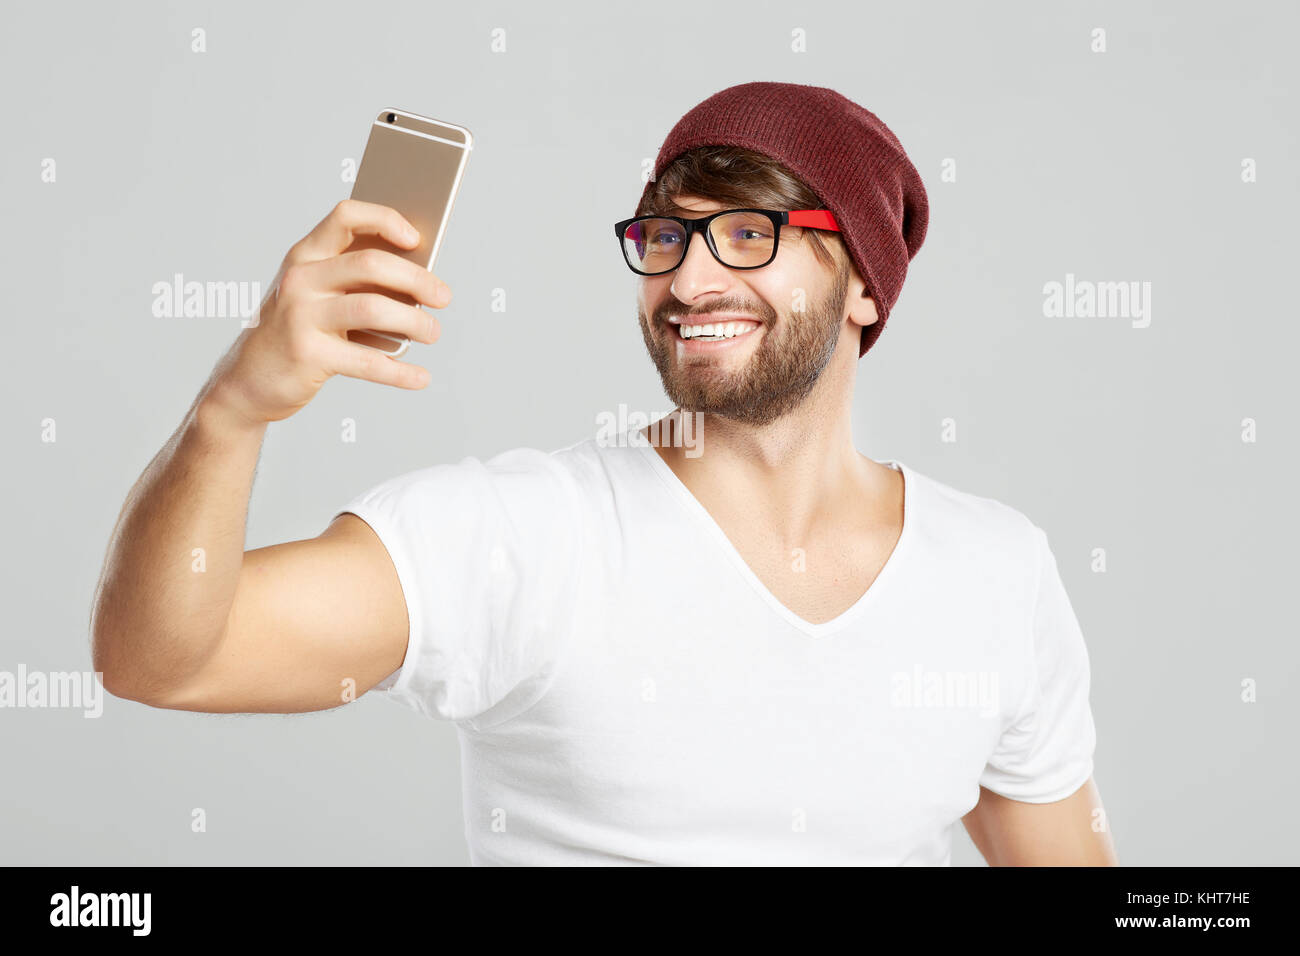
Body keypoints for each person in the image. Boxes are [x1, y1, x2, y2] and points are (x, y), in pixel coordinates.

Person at [92, 81, 1118, 866]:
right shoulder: (523, 535)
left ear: (861, 285)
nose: (690, 277)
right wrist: (235, 409)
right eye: (666, 236)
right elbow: (164, 659)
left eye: (749, 233)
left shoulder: (995, 571)